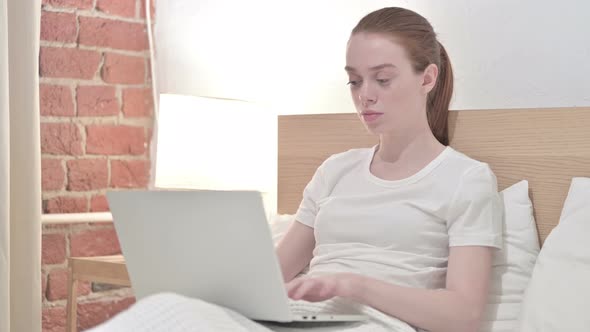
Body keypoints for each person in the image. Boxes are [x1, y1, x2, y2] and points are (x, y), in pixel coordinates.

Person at [277, 7, 502, 332]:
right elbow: (270, 277)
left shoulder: (466, 179)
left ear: (427, 78)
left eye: (382, 80)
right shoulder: (334, 170)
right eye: (354, 81)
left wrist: (355, 286)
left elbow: (463, 316)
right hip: (296, 319)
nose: (364, 96)